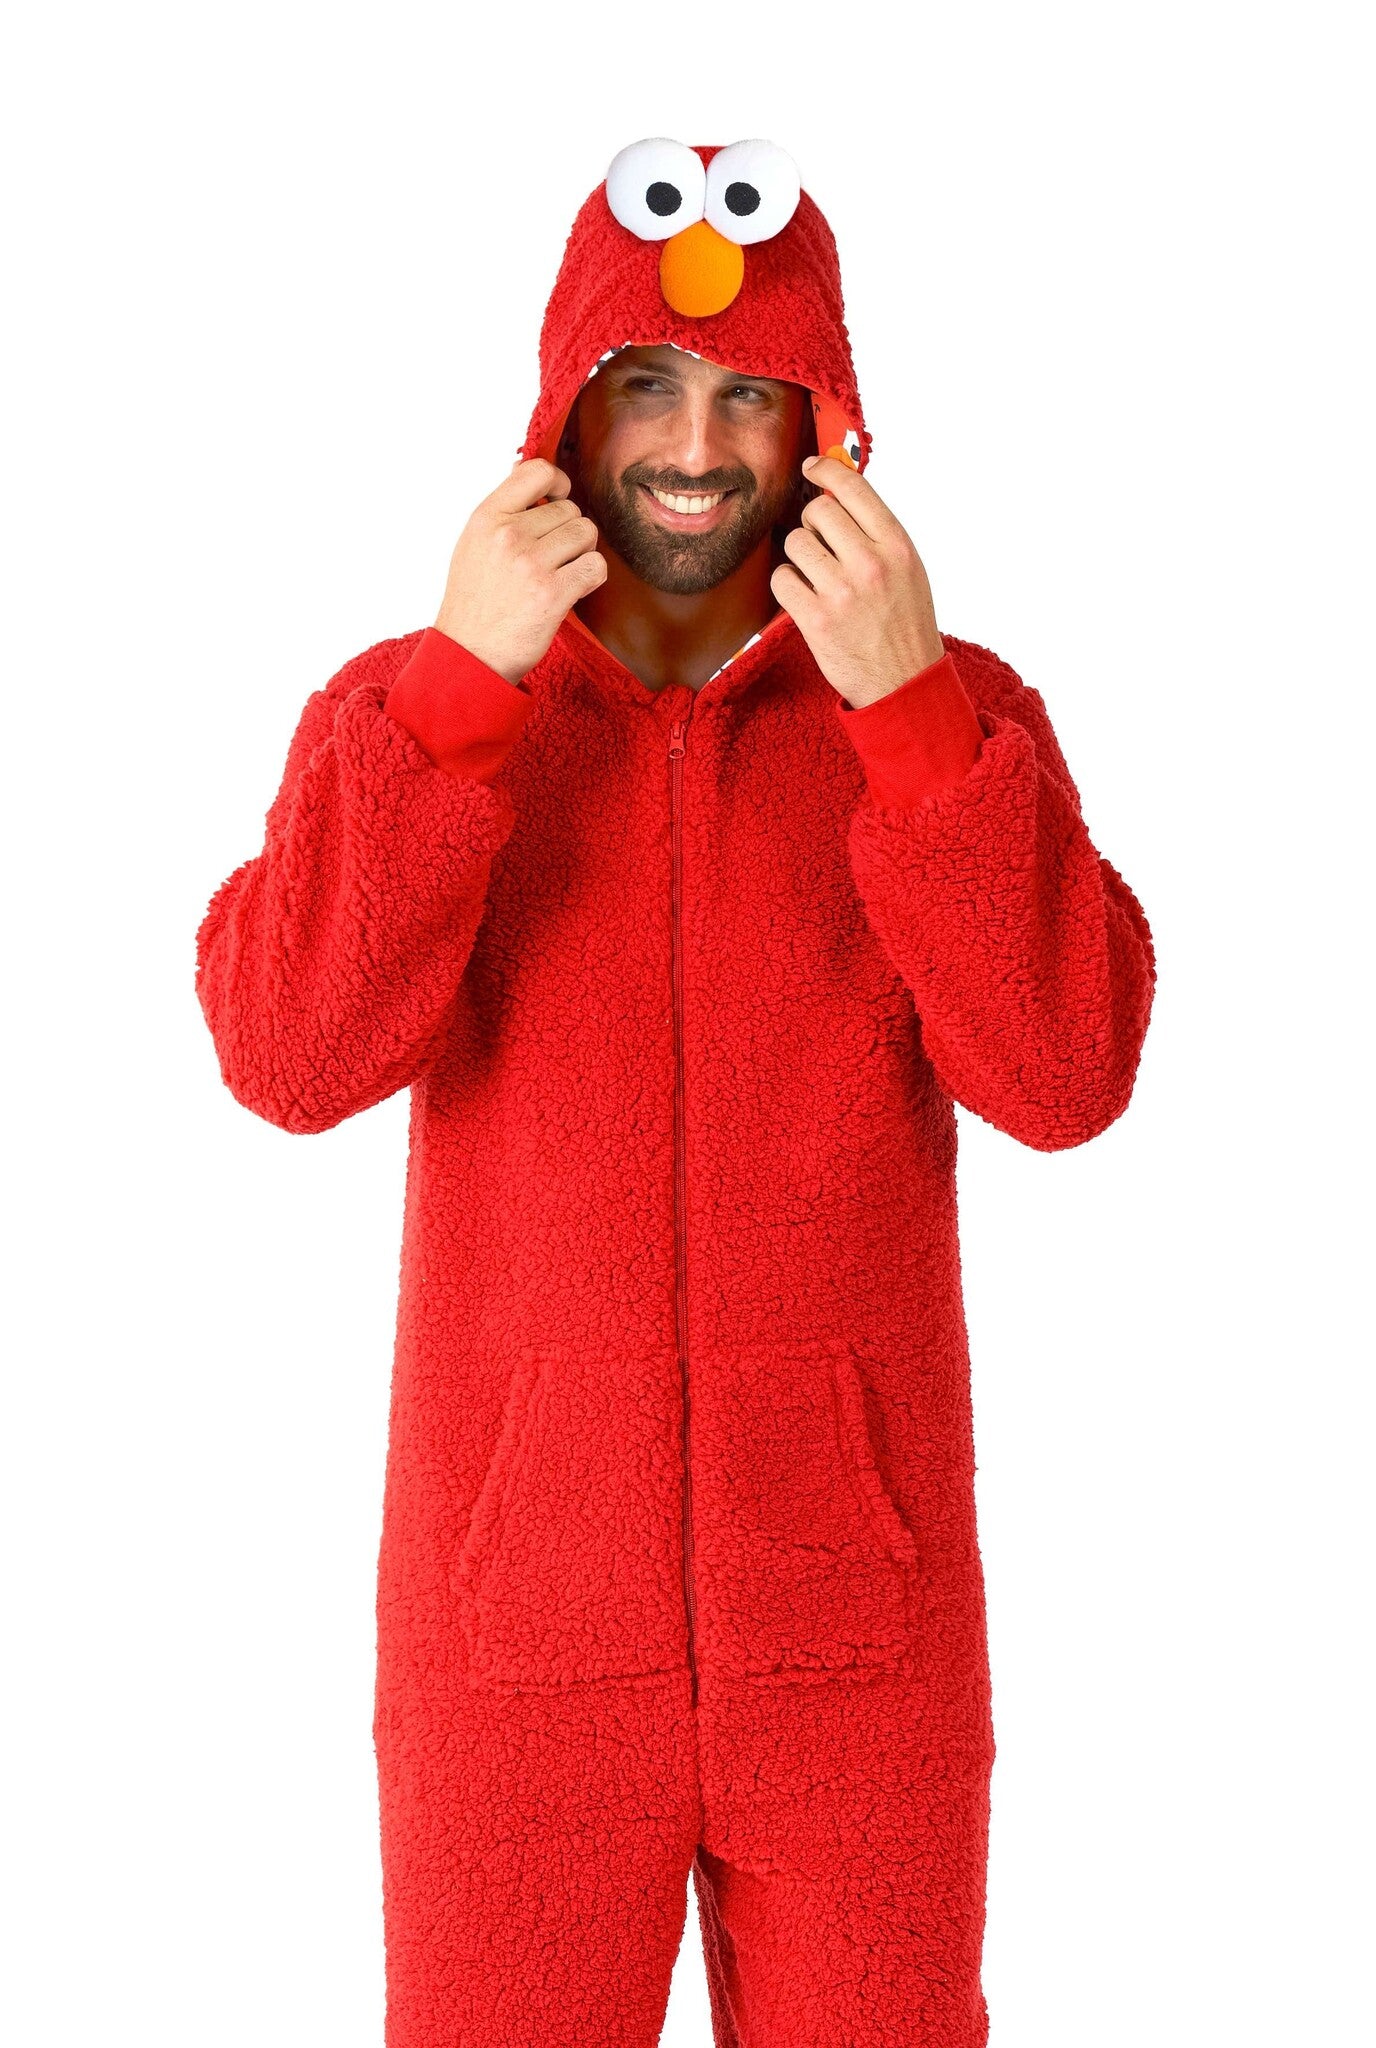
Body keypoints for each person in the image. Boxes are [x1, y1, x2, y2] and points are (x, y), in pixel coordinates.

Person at [195, 137, 1155, 2048]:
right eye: (645, 385)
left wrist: (911, 722)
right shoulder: (410, 706)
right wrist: (457, 695)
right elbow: (290, 1057)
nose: (696, 445)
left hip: (862, 1656)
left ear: (829, 432)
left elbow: (1065, 1076)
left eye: (748, 392)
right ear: (564, 418)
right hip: (512, 1658)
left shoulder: (955, 710)